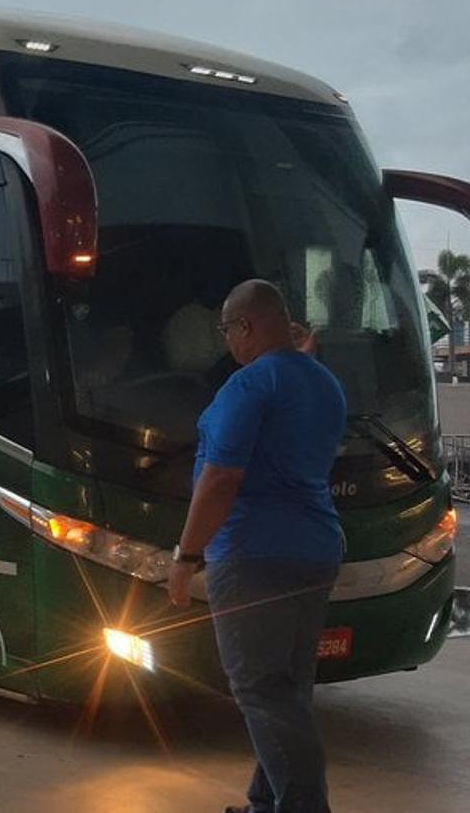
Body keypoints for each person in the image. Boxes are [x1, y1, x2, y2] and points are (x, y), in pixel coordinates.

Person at [167, 280, 347, 813]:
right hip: (315, 551)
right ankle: (264, 803)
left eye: (227, 329)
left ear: (245, 326)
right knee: (287, 689)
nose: (227, 342)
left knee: (261, 691)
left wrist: (185, 557)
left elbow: (221, 478)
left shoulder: (248, 386)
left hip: (253, 554)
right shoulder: (324, 383)